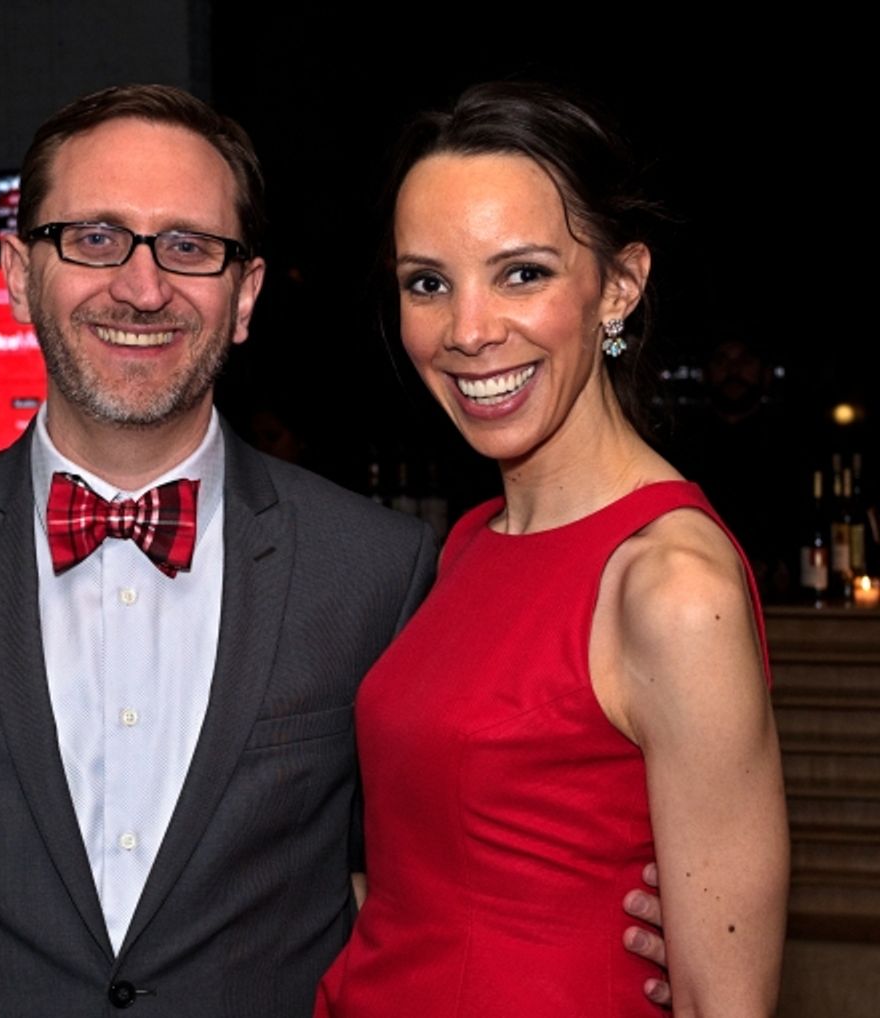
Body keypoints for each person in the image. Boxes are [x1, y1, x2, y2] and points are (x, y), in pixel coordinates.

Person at [0, 84, 667, 1018]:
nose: (143, 288)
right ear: (21, 274)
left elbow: (437, 882)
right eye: (95, 238)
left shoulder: (378, 571)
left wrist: (631, 919)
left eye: (189, 246)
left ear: (245, 295)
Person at [316, 82, 789, 1017]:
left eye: (522, 274)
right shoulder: (469, 543)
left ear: (619, 284)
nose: (469, 331)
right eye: (428, 283)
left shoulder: (672, 585)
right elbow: (432, 877)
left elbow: (726, 1003)